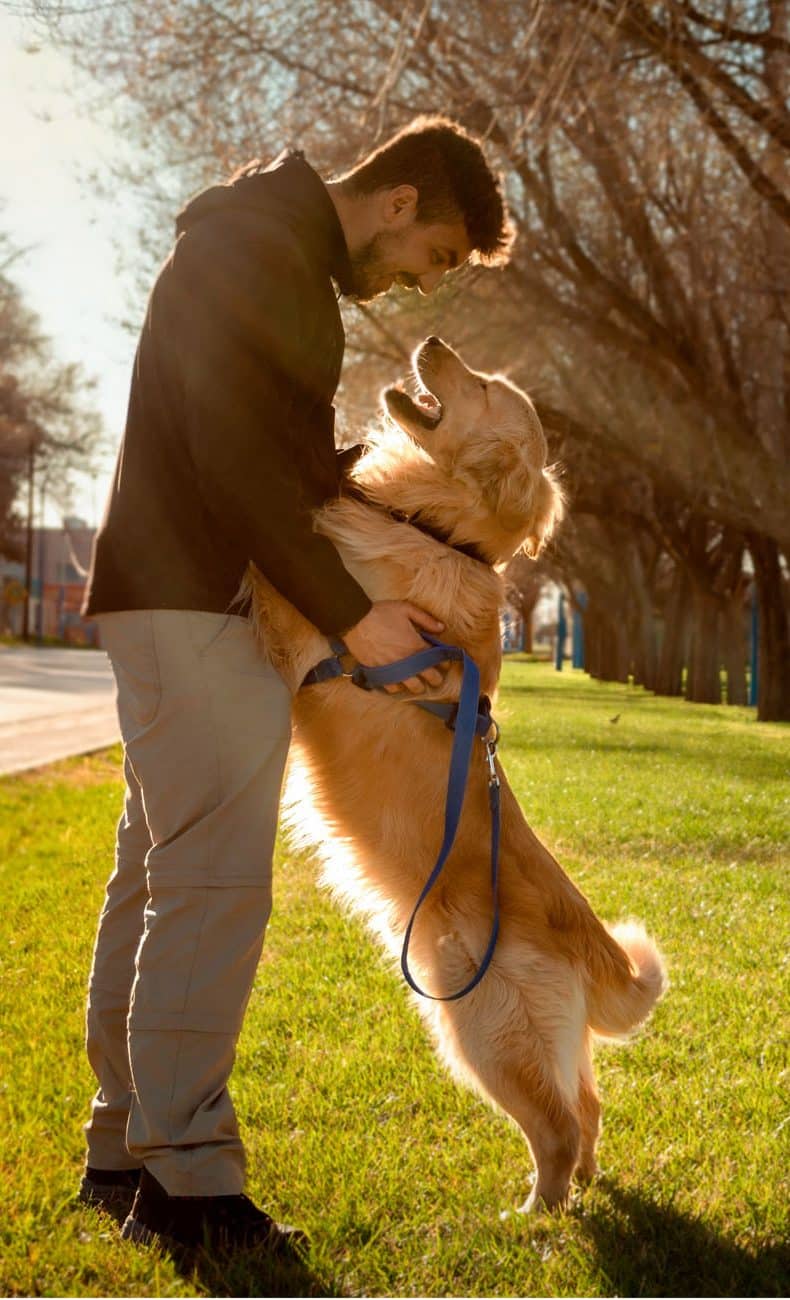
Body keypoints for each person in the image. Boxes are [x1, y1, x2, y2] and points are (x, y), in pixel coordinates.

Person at [78, 115, 512, 1255]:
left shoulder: (267, 247)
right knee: (214, 884)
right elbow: (231, 451)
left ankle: (123, 1145)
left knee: (162, 871)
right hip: (199, 591)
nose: (419, 286)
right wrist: (354, 611)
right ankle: (188, 1176)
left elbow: (277, 456)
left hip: (186, 588)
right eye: (435, 259)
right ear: (402, 202)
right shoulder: (259, 249)